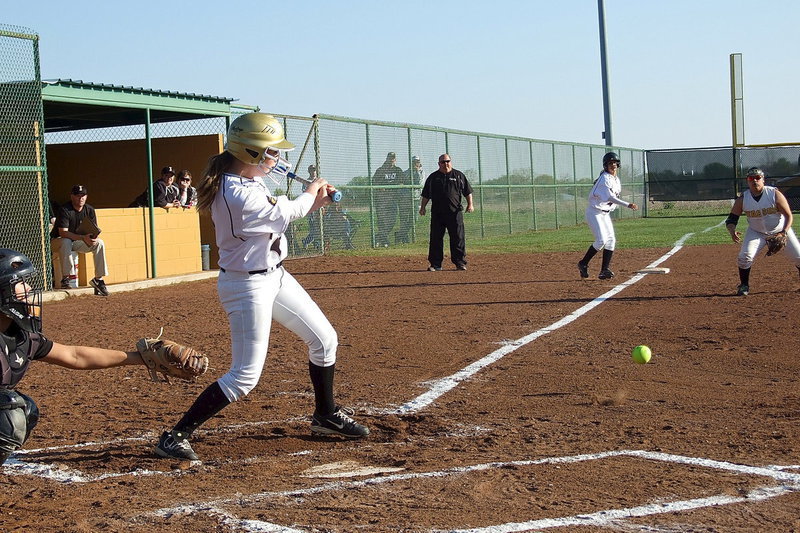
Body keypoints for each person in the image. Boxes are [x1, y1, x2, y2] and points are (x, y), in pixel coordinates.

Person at [153, 112, 369, 461]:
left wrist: (315, 200)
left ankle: (325, 416)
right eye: (271, 152)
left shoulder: (250, 182)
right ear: (249, 152)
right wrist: (312, 191)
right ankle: (175, 435)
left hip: (274, 276)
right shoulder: (236, 194)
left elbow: (286, 212)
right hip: (246, 286)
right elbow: (289, 212)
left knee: (325, 339)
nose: (277, 158)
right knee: (244, 377)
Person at [0, 248, 203, 465]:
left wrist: (140, 358)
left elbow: (75, 355)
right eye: (19, 284)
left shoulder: (22, 336)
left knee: (25, 410)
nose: (29, 289)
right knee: (9, 412)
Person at [725, 167, 800, 296]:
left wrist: (784, 232)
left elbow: (788, 215)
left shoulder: (774, 194)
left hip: (779, 230)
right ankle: (744, 285)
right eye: (751, 179)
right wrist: (732, 231)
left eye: (758, 178)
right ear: (747, 181)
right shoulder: (743, 199)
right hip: (756, 232)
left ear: (763, 180)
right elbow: (731, 219)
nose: (755, 181)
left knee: (799, 256)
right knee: (744, 257)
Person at [577, 152, 638, 280]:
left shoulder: (616, 179)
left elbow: (613, 197)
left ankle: (604, 270)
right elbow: (610, 197)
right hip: (594, 212)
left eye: (615, 163)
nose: (613, 165)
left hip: (605, 213)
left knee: (611, 240)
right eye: (610, 163)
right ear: (605, 166)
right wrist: (628, 205)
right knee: (601, 240)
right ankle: (583, 263)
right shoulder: (605, 178)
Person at [51, 185, 110, 296]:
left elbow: (93, 230)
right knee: (66, 241)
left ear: (86, 197)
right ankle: (66, 278)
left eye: (83, 196)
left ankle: (98, 279)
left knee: (99, 243)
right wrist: (83, 238)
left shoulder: (89, 210)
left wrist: (93, 238)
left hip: (77, 242)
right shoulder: (65, 209)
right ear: (72, 196)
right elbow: (63, 233)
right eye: (78, 196)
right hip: (58, 242)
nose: (80, 198)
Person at [419, 154, 474, 271]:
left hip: (455, 213)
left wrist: (470, 204)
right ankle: (435, 264)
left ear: (451, 162)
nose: (446, 164)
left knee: (458, 238)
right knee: (436, 238)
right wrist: (422, 207)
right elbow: (426, 195)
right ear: (439, 164)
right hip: (438, 213)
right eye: (443, 162)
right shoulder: (433, 177)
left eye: (447, 161)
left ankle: (460, 262)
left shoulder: (458, 175)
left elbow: (467, 192)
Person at [373, 152, 403, 247]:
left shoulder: (398, 170)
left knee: (392, 220)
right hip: (382, 200)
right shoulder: (380, 170)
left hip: (393, 200)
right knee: (382, 220)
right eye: (390, 158)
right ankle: (384, 241)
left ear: (395, 159)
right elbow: (374, 183)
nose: (391, 160)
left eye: (393, 158)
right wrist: (380, 188)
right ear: (387, 159)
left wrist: (399, 185)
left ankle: (379, 237)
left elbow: (403, 182)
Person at [396, 156, 423, 244]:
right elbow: (402, 184)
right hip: (405, 199)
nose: (416, 163)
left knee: (414, 219)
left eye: (417, 162)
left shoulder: (421, 172)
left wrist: (417, 171)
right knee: (403, 219)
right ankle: (404, 238)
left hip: (415, 198)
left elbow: (419, 183)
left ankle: (400, 234)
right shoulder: (406, 173)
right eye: (414, 162)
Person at [302, 165, 322, 250]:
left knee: (319, 226)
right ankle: (307, 241)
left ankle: (317, 243)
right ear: (309, 171)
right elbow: (305, 193)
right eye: (312, 170)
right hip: (311, 207)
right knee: (313, 227)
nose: (313, 171)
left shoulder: (319, 181)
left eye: (314, 170)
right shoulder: (307, 181)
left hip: (319, 207)